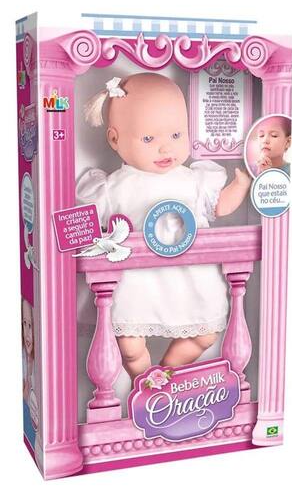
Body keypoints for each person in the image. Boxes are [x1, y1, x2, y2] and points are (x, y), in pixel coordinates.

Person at [77, 73, 251, 381]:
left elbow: (219, 207)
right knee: (129, 346)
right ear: (115, 139)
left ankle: (164, 379)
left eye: (176, 135)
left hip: (190, 279)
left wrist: (241, 185)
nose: (165, 148)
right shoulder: (112, 188)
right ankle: (145, 381)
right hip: (138, 284)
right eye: (149, 139)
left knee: (205, 335)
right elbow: (84, 224)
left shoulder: (194, 180)